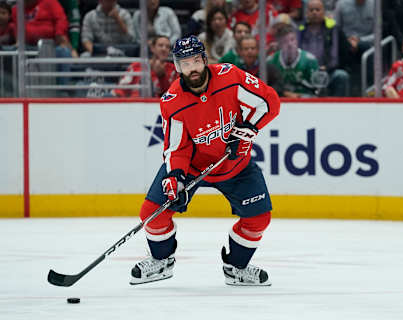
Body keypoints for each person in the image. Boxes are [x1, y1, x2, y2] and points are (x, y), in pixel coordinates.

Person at [129, 35, 280, 286]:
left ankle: (237, 268)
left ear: (205, 60)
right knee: (152, 214)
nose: (192, 68)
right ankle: (161, 261)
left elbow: (270, 102)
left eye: (196, 61)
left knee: (259, 218)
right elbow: (176, 147)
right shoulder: (172, 101)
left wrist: (245, 130)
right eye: (185, 64)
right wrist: (175, 177)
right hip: (193, 168)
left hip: (235, 164)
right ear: (177, 67)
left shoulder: (230, 77)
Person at [298, 0, 351, 96]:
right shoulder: (301, 30)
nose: (314, 12)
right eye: (311, 10)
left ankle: (339, 106)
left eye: (317, 10)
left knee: (341, 75)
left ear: (324, 12)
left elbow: (335, 56)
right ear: (306, 13)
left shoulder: (332, 28)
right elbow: (298, 53)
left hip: (328, 71)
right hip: (305, 73)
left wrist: (326, 67)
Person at [112, 35, 178, 98]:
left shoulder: (173, 69)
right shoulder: (136, 66)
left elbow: (172, 96)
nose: (164, 49)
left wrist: (162, 77)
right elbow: (121, 89)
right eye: (160, 45)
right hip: (134, 105)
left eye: (167, 47)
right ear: (152, 48)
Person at [267, 24, 320, 97]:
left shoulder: (310, 60)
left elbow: (317, 89)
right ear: (279, 44)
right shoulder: (271, 61)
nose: (289, 44)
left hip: (306, 100)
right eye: (285, 41)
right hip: (279, 99)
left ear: (297, 41)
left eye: (292, 40)